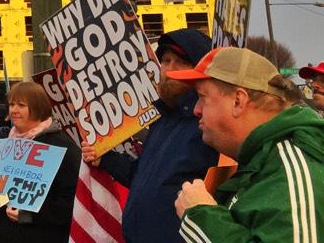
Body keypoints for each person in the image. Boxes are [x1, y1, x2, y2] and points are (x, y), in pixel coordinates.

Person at [169, 46, 323, 242]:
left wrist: (202, 217)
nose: (196, 110)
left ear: (238, 101)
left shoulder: (293, 168)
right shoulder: (266, 161)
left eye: (202, 97)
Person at [82, 28, 217, 243]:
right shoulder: (162, 121)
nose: (169, 70)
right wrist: (105, 159)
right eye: (165, 61)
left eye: (181, 62)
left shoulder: (208, 124)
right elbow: (142, 176)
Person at [0, 81, 81, 243]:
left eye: (21, 105)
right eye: (12, 104)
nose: (14, 110)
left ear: (38, 108)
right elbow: (5, 198)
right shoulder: (5, 143)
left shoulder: (62, 147)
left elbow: (70, 204)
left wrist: (30, 215)